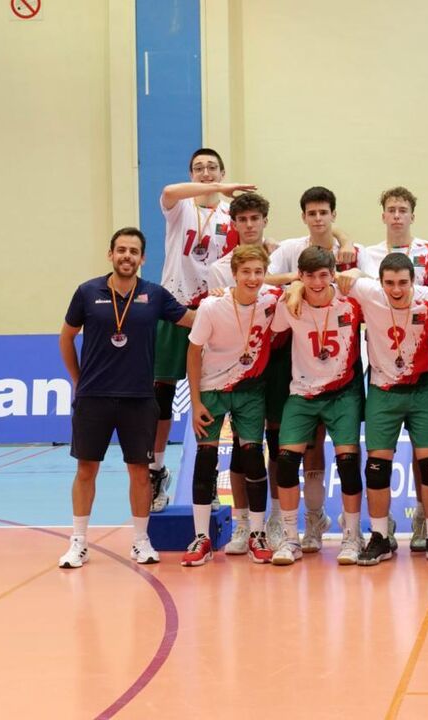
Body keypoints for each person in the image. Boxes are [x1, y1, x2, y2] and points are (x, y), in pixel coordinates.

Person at [58, 228, 193, 568]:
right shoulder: (87, 292)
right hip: (94, 398)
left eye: (133, 251)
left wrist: (227, 301)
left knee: (140, 473)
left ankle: (140, 541)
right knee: (86, 469)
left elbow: (192, 319)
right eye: (121, 250)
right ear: (111, 254)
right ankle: (78, 542)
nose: (127, 256)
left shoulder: (155, 295)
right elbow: (66, 337)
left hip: (139, 398)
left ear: (142, 258)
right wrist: (78, 380)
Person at [334, 254, 428, 565]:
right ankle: (380, 537)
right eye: (390, 283)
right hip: (383, 390)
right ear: (380, 282)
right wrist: (349, 274)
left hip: (424, 389)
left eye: (403, 283)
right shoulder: (368, 292)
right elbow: (323, 283)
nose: (396, 290)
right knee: (376, 466)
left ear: (414, 281)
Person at [150, 148, 255, 512]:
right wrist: (216, 188)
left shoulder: (232, 215)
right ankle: (156, 469)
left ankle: (207, 476)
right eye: (199, 168)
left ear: (222, 171)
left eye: (212, 168)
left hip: (215, 313)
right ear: (191, 174)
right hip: (175, 308)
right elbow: (168, 191)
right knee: (161, 394)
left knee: (213, 397)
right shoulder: (180, 207)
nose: (206, 172)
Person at [264, 186, 353, 553]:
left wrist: (347, 245)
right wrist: (294, 286)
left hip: (341, 375)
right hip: (296, 367)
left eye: (324, 212)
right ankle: (290, 531)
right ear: (303, 216)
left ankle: (329, 525)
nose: (318, 218)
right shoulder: (290, 251)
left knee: (338, 455)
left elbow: (371, 281)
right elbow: (262, 279)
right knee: (291, 452)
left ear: (334, 215)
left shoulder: (350, 264)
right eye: (312, 213)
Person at [182, 245, 281, 566]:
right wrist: (196, 401)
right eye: (246, 272)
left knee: (252, 457)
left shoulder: (271, 300)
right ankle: (201, 537)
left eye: (258, 272)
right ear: (234, 274)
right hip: (212, 389)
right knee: (206, 459)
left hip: (250, 390)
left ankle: (257, 533)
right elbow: (193, 352)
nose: (252, 278)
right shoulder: (212, 306)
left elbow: (297, 288)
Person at [268, 246, 365, 566]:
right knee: (285, 462)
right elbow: (258, 294)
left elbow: (383, 287)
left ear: (333, 274)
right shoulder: (289, 304)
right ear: (300, 276)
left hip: (342, 392)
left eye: (324, 275)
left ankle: (352, 536)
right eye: (309, 276)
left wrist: (358, 272)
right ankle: (290, 538)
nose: (317, 282)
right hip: (303, 392)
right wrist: (292, 288)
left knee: (348, 463)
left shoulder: (352, 300)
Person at [206, 192, 280, 554]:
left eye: (255, 218)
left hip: (280, 360)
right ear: (233, 224)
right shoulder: (220, 267)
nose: (250, 225)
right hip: (239, 369)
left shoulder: (283, 253)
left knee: (278, 445)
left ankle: (274, 522)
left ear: (265, 220)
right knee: (241, 449)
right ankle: (241, 524)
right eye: (243, 220)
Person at [357, 186, 428, 285]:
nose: (396, 216)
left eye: (403, 211)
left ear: (412, 218)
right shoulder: (369, 255)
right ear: (383, 217)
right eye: (391, 210)